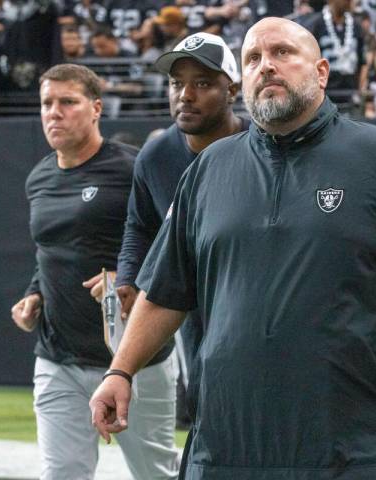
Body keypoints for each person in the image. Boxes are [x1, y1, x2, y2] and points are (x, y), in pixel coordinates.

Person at [91, 16, 376, 480]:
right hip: (229, 447)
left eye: (282, 53)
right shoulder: (207, 170)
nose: (267, 66)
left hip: (365, 450)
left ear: (321, 72)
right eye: (254, 58)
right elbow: (164, 292)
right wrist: (120, 372)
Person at [10, 63, 179, 480]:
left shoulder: (134, 168)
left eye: (68, 102)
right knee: (62, 473)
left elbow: (174, 243)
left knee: (156, 473)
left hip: (134, 358)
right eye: (47, 103)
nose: (54, 112)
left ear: (96, 108)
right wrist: (35, 293)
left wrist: (128, 278)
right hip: (58, 358)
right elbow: (48, 250)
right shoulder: (40, 177)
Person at [85, 31, 248, 432]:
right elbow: (139, 226)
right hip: (192, 308)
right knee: (209, 411)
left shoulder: (262, 145)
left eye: (203, 83)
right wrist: (128, 276)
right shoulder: (156, 156)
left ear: (234, 89)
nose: (186, 95)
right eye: (177, 83)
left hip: (256, 301)